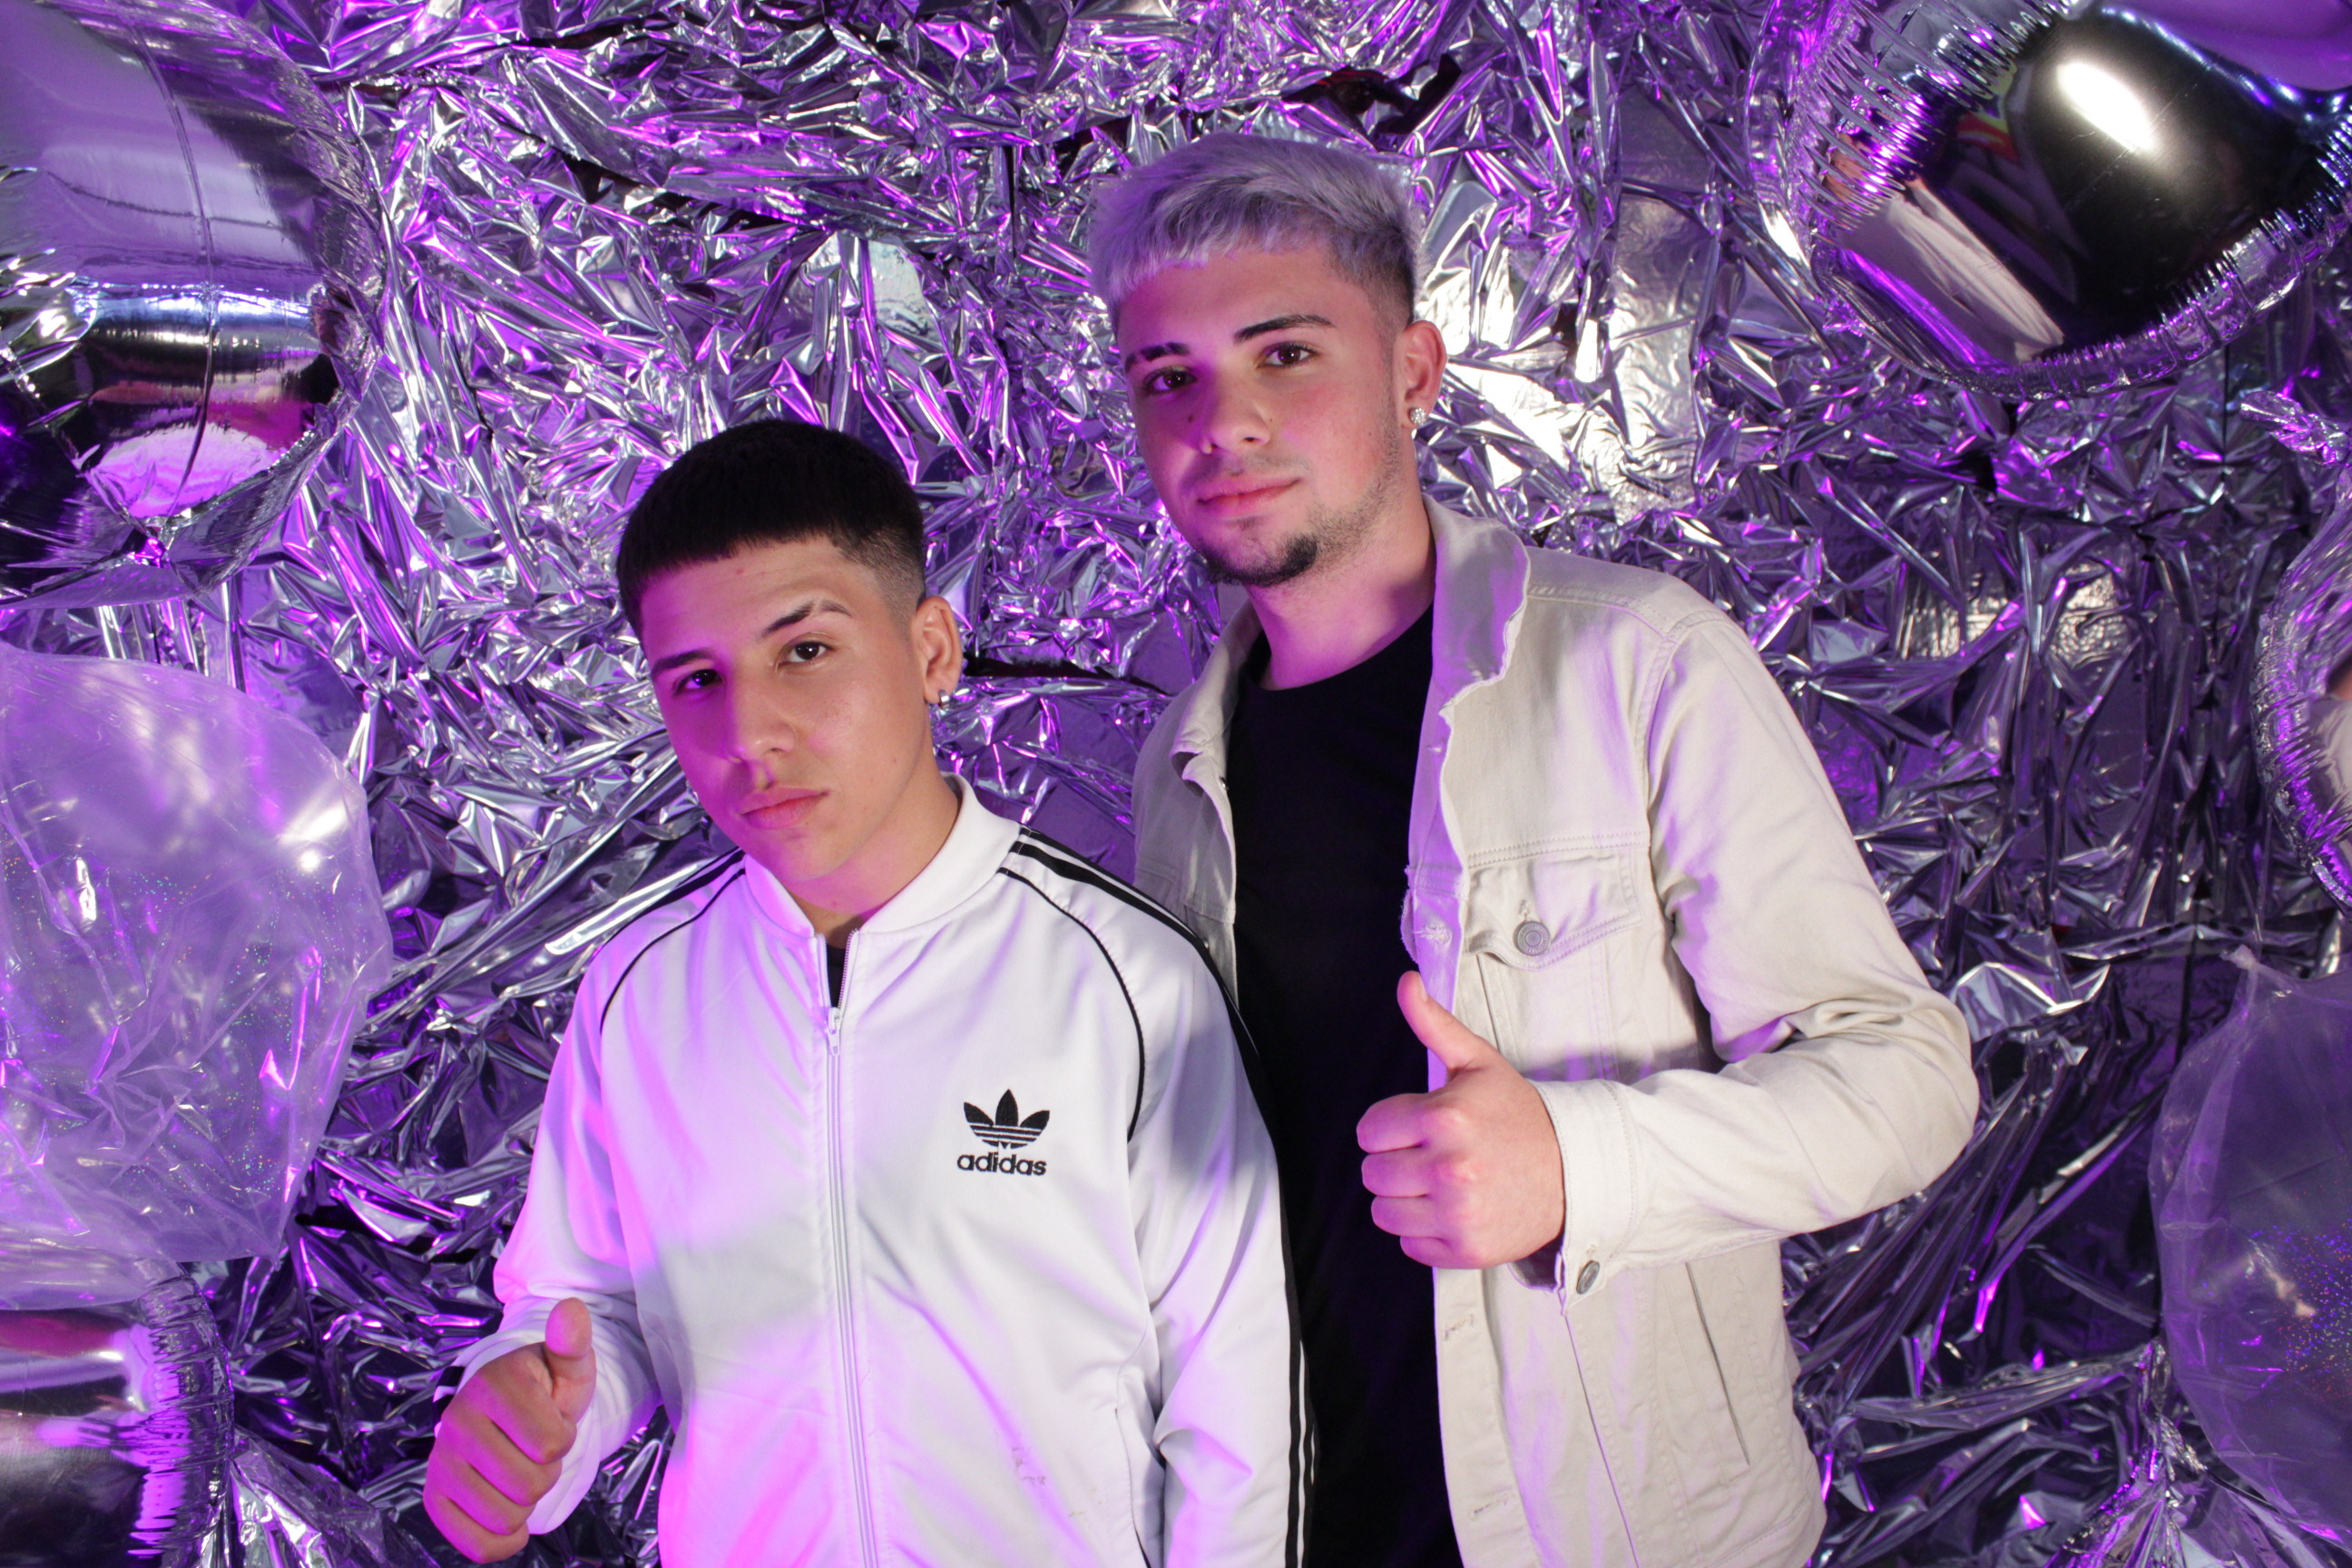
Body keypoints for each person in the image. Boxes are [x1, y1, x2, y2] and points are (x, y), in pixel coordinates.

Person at [1092, 133, 1980, 1568]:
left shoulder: (1639, 664)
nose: (1224, 423)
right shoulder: (1181, 767)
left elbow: (1906, 1080)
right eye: (1166, 378)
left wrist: (1577, 1163)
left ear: (1413, 369)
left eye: (1287, 354)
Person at [421, 419, 1305, 1568]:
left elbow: (1240, 1408)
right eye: (697, 680)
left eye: (805, 651)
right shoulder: (640, 992)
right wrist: (530, 1410)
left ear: (931, 649)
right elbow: (585, 1309)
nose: (751, 733)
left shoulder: (1124, 979)